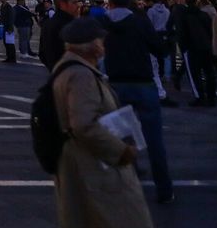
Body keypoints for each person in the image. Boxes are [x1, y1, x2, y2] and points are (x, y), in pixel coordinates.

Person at [50, 18, 155, 228]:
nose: (103, 44)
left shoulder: (70, 69)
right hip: (95, 164)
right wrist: (120, 150)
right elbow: (83, 124)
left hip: (82, 162)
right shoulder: (80, 75)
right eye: (101, 40)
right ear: (93, 45)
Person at [98, 0, 172, 204]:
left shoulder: (102, 24)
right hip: (143, 84)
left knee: (119, 138)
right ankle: (164, 188)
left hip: (116, 85)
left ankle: (124, 182)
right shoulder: (140, 21)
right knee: (155, 140)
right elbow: (159, 49)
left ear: (109, 2)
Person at [176, 0, 217, 105]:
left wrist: (183, 46)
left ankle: (200, 96)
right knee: (209, 72)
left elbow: (181, 33)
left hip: (192, 48)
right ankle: (212, 96)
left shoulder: (184, 16)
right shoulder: (203, 14)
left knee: (195, 74)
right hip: (206, 46)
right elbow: (210, 30)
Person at [39, 0, 81, 69]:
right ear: (63, 4)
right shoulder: (71, 25)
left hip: (56, 72)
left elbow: (42, 54)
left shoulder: (47, 24)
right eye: (74, 2)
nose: (78, 5)